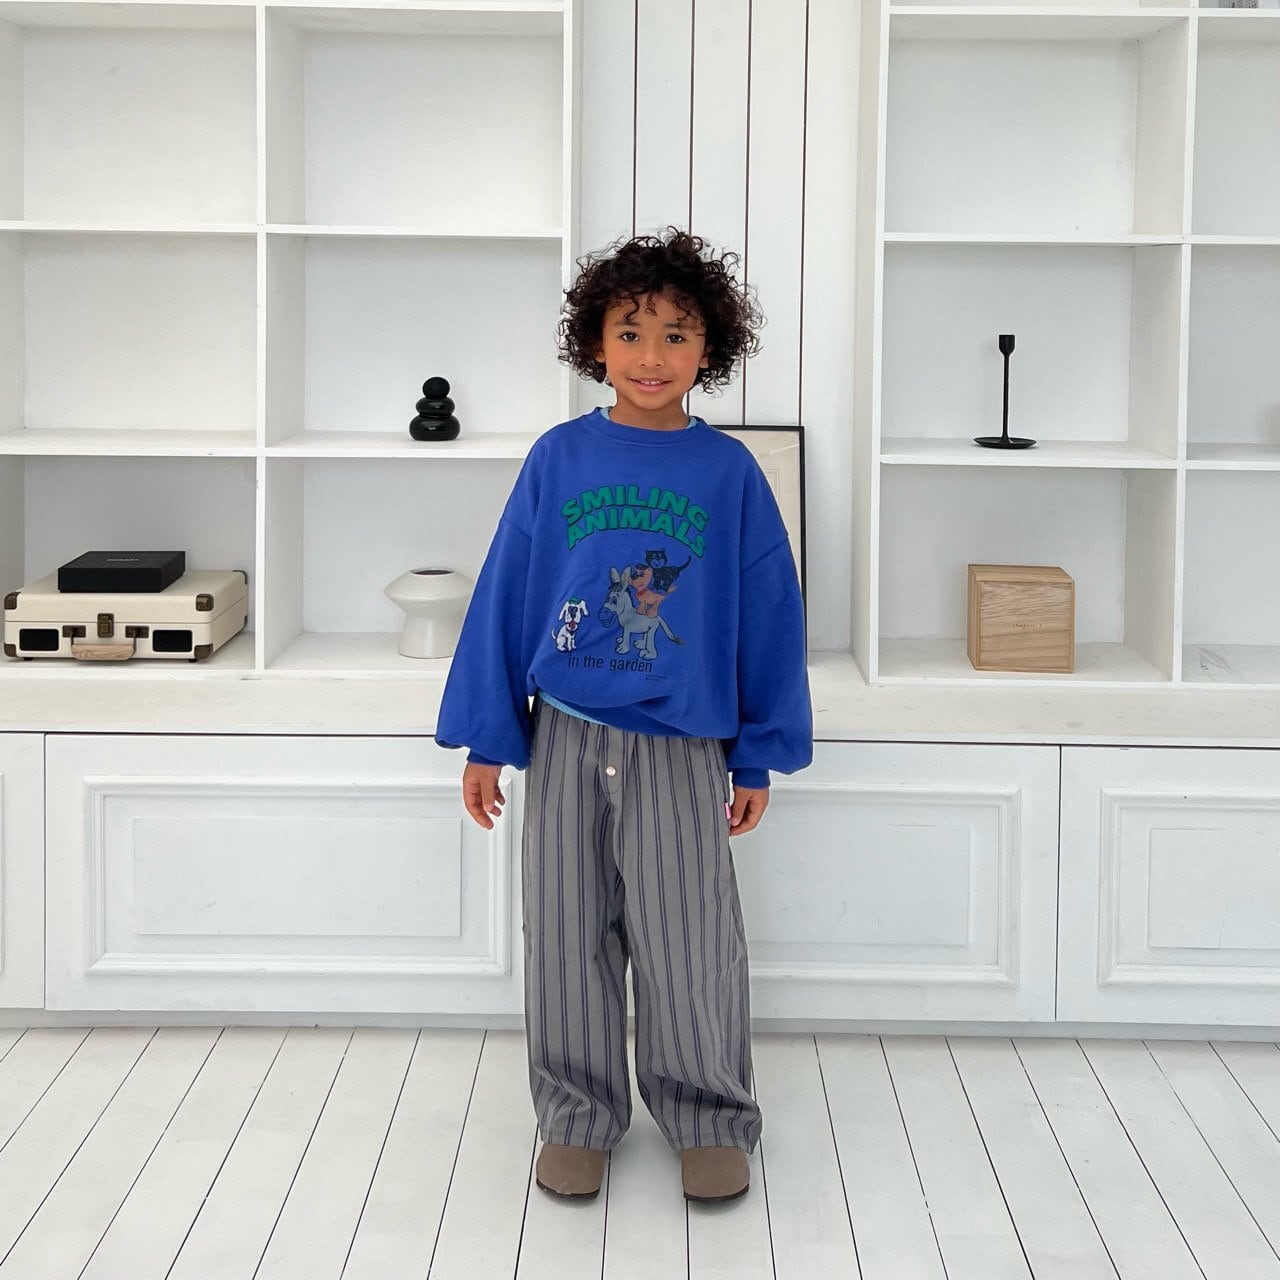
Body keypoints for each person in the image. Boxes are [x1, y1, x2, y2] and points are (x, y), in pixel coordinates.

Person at [434, 226, 813, 1206]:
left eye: (676, 334)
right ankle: (576, 1115)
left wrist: (755, 755)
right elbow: (509, 594)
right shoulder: (558, 458)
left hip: (682, 746)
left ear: (709, 347)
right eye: (630, 332)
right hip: (565, 731)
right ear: (594, 344)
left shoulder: (728, 474)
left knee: (688, 939)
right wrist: (488, 737)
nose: (652, 356)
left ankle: (708, 1115)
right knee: (566, 935)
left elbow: (766, 615)